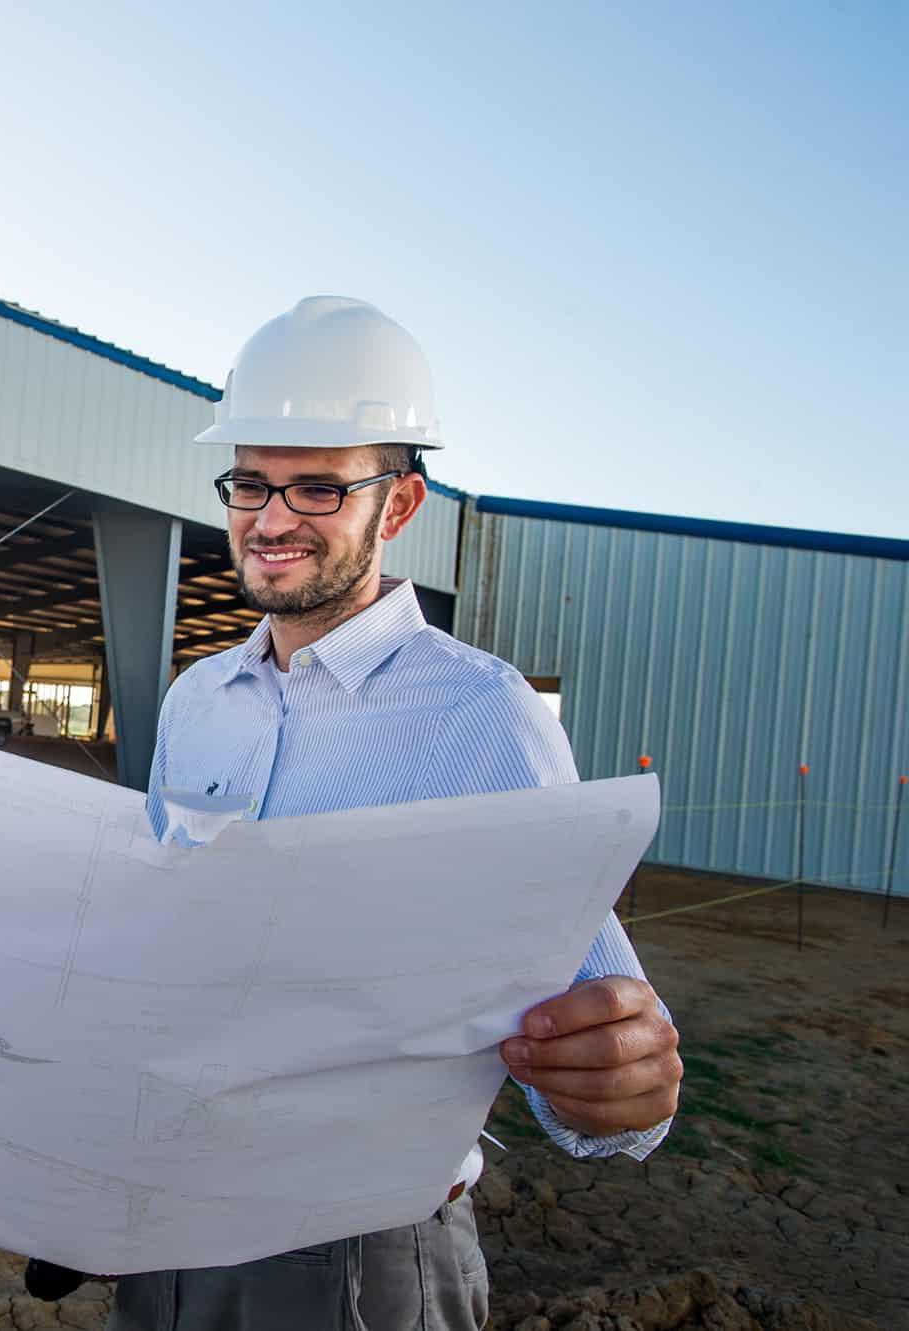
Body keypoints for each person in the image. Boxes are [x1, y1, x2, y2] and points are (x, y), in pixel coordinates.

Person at [104, 297, 683, 1330]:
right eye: (249, 482)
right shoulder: (196, 702)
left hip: (357, 1248)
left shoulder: (477, 715)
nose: (270, 518)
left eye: (318, 485)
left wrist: (620, 1076)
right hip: (172, 1202)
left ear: (400, 504)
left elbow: (600, 1040)